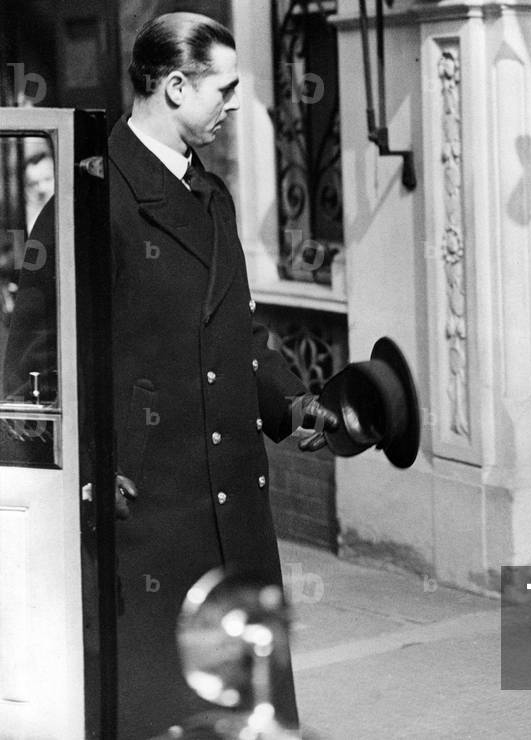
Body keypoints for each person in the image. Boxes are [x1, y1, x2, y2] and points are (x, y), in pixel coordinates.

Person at [104, 12, 337, 738]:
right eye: (225, 88)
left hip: (231, 501)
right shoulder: (95, 197)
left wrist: (296, 405)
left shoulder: (209, 192)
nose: (236, 104)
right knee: (168, 708)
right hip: (152, 515)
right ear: (175, 86)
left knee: (247, 705)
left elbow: (236, 329)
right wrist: (99, 468)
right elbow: (37, 357)